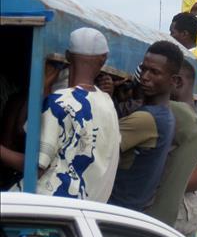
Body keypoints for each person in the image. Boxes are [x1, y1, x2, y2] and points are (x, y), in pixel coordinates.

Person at [1, 28, 120, 202]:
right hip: (86, 208)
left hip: (49, 206)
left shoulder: (59, 101)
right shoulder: (108, 103)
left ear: (68, 56)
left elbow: (35, 167)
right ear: (104, 59)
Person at [146, 60, 197, 233]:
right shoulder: (152, 113)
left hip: (171, 222)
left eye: (155, 74)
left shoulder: (187, 120)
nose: (146, 79)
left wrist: (165, 189)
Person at [109, 41, 181, 212]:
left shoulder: (147, 119)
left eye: (155, 72)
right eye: (144, 69)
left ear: (174, 81)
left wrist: (105, 99)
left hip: (117, 211)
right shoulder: (165, 115)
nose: (145, 77)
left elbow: (94, 141)